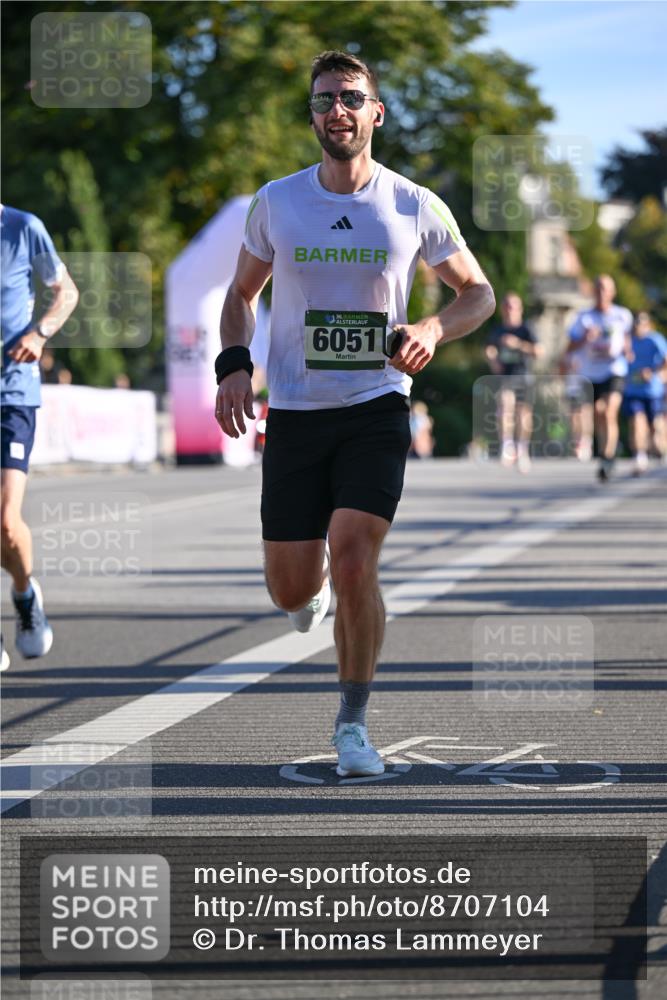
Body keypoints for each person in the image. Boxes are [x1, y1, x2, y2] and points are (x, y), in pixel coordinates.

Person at [214, 51, 494, 776]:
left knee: (353, 554)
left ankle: (352, 725)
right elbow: (241, 295)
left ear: (376, 112)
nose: (336, 110)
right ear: (312, 116)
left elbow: (478, 293)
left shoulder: (414, 203)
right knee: (291, 588)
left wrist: (431, 328)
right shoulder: (277, 201)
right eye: (323, 100)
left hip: (376, 405)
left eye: (349, 98)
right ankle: (308, 596)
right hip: (296, 410)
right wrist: (234, 364)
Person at [1, 205, 79, 672]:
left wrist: (39, 333)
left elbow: (66, 292)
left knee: (6, 522)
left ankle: (25, 594)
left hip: (11, 392)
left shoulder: (22, 228)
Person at [565, 275, 631, 482]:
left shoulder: (622, 315)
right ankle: (605, 449)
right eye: (599, 288)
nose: (602, 292)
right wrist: (585, 338)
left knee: (609, 411)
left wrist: (627, 351)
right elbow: (569, 348)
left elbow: (627, 341)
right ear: (594, 292)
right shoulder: (583, 317)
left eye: (606, 288)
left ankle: (607, 458)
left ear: (613, 292)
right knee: (598, 413)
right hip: (590, 373)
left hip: (614, 370)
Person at [484, 292, 541, 473]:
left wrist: (518, 344)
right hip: (505, 377)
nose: (510, 310)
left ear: (520, 309)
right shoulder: (498, 330)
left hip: (523, 376)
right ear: (503, 309)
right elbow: (489, 349)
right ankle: (507, 446)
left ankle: (522, 448)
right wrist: (493, 360)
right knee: (504, 406)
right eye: (507, 306)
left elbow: (539, 351)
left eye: (513, 306)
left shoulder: (526, 329)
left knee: (523, 414)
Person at [622, 311, 667, 474]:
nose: (638, 326)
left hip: (652, 391)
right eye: (636, 323)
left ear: (648, 324)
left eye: (641, 323)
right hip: (633, 390)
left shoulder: (655, 339)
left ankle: (660, 450)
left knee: (655, 426)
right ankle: (640, 457)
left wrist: (653, 373)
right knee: (636, 421)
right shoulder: (628, 340)